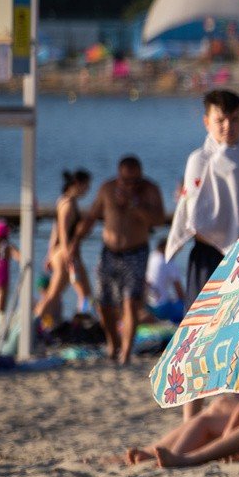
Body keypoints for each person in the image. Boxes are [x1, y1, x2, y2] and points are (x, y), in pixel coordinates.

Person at [165, 89, 239, 306]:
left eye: (234, 119)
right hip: (208, 255)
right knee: (202, 325)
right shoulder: (199, 160)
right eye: (220, 120)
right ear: (207, 122)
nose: (228, 126)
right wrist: (227, 241)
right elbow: (196, 216)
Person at [83, 156, 169, 365]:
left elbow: (159, 220)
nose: (129, 185)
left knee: (131, 303)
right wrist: (73, 243)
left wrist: (135, 206)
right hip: (109, 252)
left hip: (136, 251)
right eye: (125, 180)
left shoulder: (149, 189)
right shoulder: (107, 188)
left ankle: (126, 353)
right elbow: (92, 216)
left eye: (134, 181)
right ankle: (113, 342)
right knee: (104, 303)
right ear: (119, 176)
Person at [32, 169, 94, 329]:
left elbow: (55, 231)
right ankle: (33, 325)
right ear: (77, 184)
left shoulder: (64, 201)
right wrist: (68, 257)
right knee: (61, 294)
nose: (88, 190)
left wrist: (49, 253)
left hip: (61, 253)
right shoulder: (68, 205)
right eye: (86, 186)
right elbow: (63, 232)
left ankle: (38, 324)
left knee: (77, 293)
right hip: (66, 254)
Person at [146, 241, 186, 324]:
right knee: (185, 306)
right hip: (162, 308)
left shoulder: (151, 257)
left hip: (148, 305)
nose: (176, 254)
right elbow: (179, 291)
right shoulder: (169, 262)